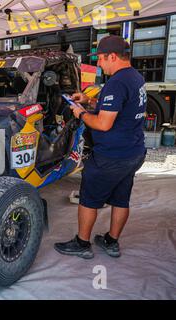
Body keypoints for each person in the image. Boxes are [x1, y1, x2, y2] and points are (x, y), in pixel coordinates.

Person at [54, 35, 147, 259]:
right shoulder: (135, 77)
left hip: (110, 157)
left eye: (101, 59)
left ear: (112, 56)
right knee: (120, 199)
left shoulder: (116, 82)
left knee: (89, 199)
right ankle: (111, 242)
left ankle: (82, 244)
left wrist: (81, 112)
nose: (99, 64)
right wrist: (88, 100)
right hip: (133, 152)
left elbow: (103, 124)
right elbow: (117, 108)